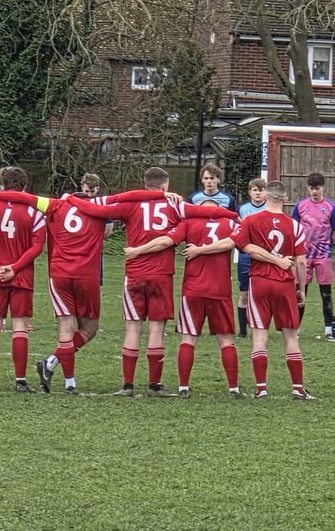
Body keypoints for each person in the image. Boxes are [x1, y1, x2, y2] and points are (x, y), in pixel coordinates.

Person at [0, 182, 169, 393]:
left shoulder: (55, 205)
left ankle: (67, 381)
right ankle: (55, 367)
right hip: (87, 276)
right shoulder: (97, 206)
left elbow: (25, 198)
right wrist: (160, 194)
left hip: (60, 274)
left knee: (65, 327)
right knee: (89, 329)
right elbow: (127, 195)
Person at [103, 167, 237, 397]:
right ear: (165, 185)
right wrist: (234, 216)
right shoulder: (176, 206)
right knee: (156, 328)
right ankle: (155, 385)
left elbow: (98, 209)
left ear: (146, 184)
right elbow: (213, 216)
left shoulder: (132, 204)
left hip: (135, 273)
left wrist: (68, 200)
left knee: (133, 329)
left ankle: (127, 385)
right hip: (162, 275)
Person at [125, 200, 241, 398]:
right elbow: (231, 243)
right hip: (220, 289)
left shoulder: (189, 222)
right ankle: (233, 388)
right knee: (226, 340)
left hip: (193, 289)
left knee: (188, 338)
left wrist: (138, 249)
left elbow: (165, 241)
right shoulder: (231, 223)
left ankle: (183, 387)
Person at [231, 180, 315, 400]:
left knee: (260, 336)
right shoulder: (294, 225)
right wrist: (302, 289)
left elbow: (244, 247)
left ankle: (261, 388)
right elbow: (301, 262)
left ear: (265, 196)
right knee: (291, 336)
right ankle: (297, 387)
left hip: (259, 280)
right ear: (286, 199)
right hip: (285, 283)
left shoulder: (251, 220)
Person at [0, 167, 47, 393]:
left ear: (1, 185)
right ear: (24, 187)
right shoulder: (35, 212)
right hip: (22, 276)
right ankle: (21, 381)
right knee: (20, 328)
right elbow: (38, 246)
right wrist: (14, 268)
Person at [292, 172, 335, 340]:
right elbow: (293, 229)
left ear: (323, 187)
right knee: (300, 291)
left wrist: (325, 245)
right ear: (308, 188)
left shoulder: (330, 207)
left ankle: (329, 330)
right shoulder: (300, 206)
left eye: (317, 188)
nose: (314, 191)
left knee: (326, 293)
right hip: (303, 256)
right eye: (311, 188)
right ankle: (295, 328)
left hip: (323, 256)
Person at [236, 178, 268, 338]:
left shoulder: (270, 209)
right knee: (244, 294)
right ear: (250, 192)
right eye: (255, 190)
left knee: (261, 294)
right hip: (246, 257)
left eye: (261, 190)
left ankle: (260, 326)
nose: (257, 193)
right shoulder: (242, 209)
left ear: (266, 193)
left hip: (264, 257)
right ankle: (242, 331)